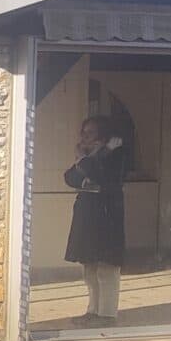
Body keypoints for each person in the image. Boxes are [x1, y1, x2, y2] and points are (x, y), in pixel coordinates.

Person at [64, 115, 128, 322]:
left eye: (89, 133)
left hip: (107, 214)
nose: (84, 137)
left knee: (106, 267)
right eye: (83, 132)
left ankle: (107, 313)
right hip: (87, 213)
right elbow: (70, 177)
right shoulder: (91, 155)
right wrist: (84, 166)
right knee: (89, 267)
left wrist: (83, 160)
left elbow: (102, 176)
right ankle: (93, 310)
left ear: (101, 134)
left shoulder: (115, 152)